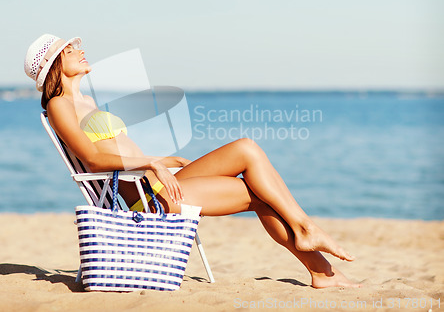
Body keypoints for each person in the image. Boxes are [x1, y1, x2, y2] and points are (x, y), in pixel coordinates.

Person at [24, 33, 360, 289]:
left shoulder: (86, 100)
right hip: (145, 198)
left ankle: (309, 238)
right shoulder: (59, 105)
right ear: (55, 66)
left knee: (247, 148)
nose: (81, 50)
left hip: (154, 180)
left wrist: (161, 161)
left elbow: (117, 150)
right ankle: (318, 263)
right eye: (71, 50)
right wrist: (153, 163)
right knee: (258, 193)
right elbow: (94, 160)